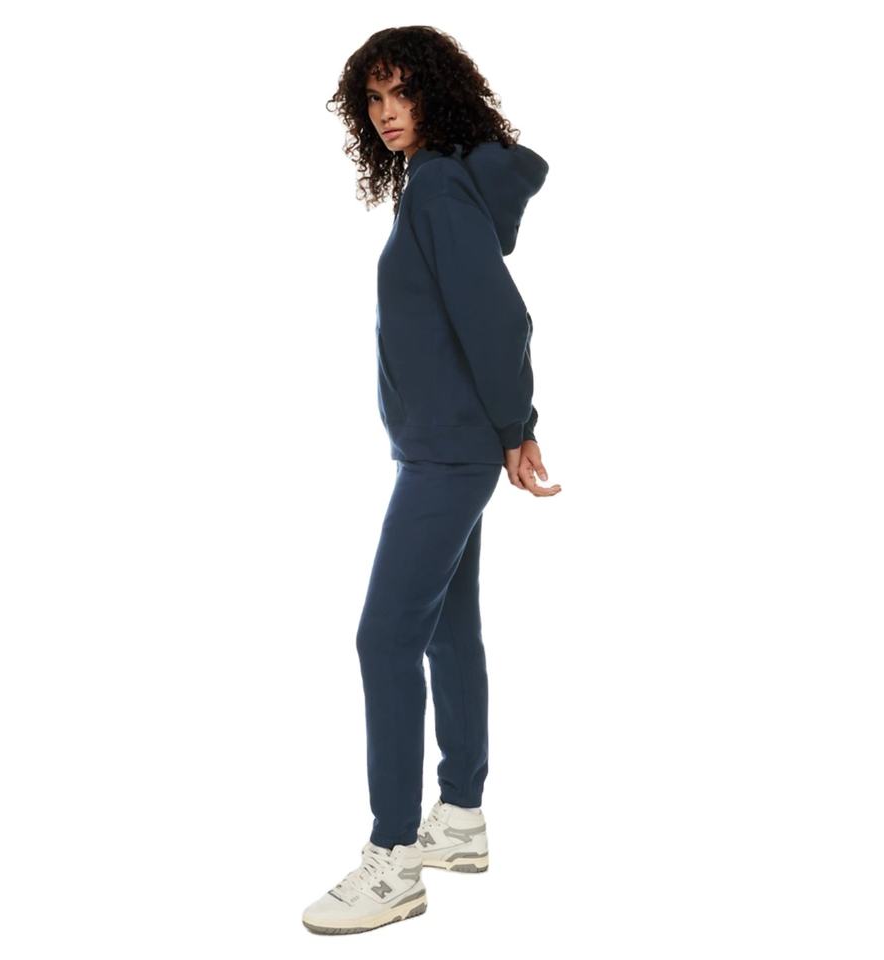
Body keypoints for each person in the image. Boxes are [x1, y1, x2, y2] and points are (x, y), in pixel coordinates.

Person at [304, 26, 561, 935]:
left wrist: (516, 428)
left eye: (402, 93)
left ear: (437, 94)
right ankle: (457, 818)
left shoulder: (441, 188)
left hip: (450, 453)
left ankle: (393, 860)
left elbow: (499, 318)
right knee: (448, 631)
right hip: (439, 447)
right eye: (373, 100)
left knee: (383, 638)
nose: (386, 114)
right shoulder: (431, 183)